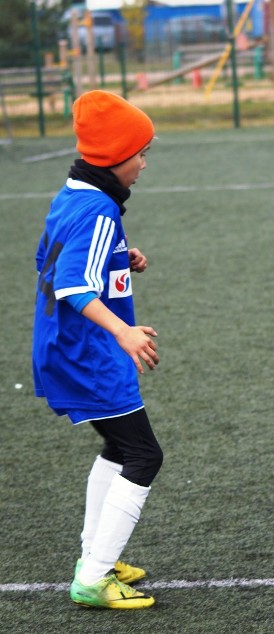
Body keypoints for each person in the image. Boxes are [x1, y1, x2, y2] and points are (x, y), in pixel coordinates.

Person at [32, 90, 163, 609]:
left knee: (119, 447)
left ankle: (96, 557)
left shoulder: (73, 195)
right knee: (144, 455)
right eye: (140, 153)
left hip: (64, 347)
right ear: (114, 157)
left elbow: (52, 258)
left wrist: (115, 258)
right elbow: (70, 283)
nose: (144, 164)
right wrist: (124, 332)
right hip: (86, 353)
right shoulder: (99, 207)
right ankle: (92, 577)